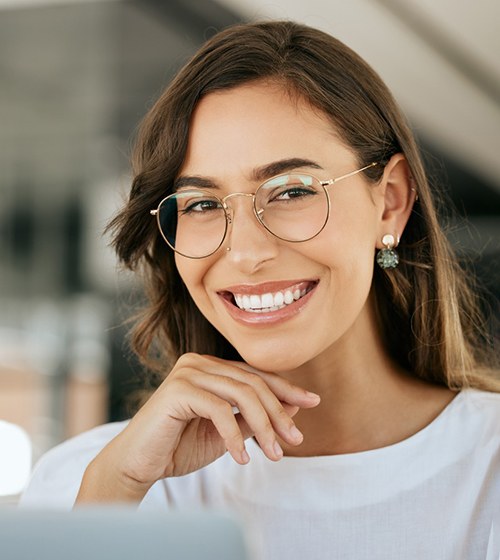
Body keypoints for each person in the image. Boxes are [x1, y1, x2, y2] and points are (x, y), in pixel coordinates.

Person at [21, 20, 500, 559]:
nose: (246, 253)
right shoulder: (96, 481)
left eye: (291, 191)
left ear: (389, 201)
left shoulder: (488, 469)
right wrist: (112, 495)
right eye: (201, 203)